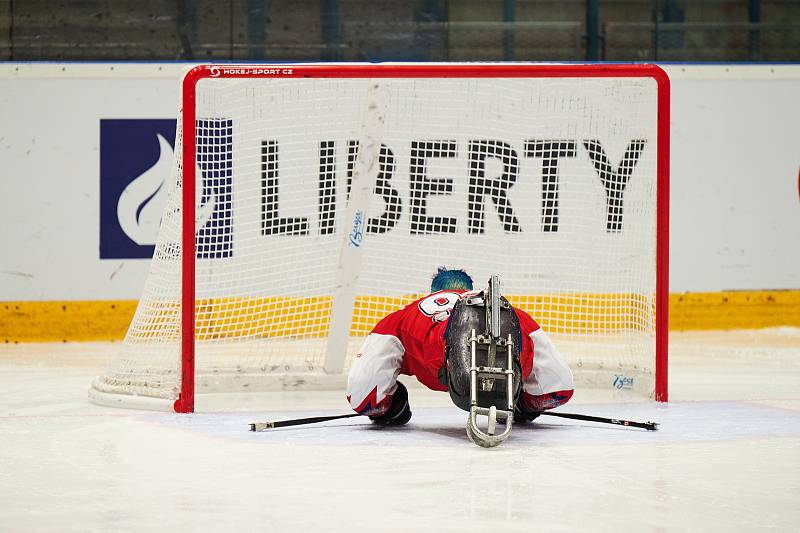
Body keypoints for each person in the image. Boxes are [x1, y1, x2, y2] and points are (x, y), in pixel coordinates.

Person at [346, 267, 574, 426]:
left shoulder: (404, 315)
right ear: (470, 290)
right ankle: (507, 394)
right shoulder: (514, 312)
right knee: (543, 390)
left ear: (433, 293)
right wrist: (524, 406)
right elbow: (558, 388)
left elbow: (363, 394)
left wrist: (392, 409)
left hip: (437, 355)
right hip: (508, 340)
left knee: (372, 402)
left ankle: (396, 408)